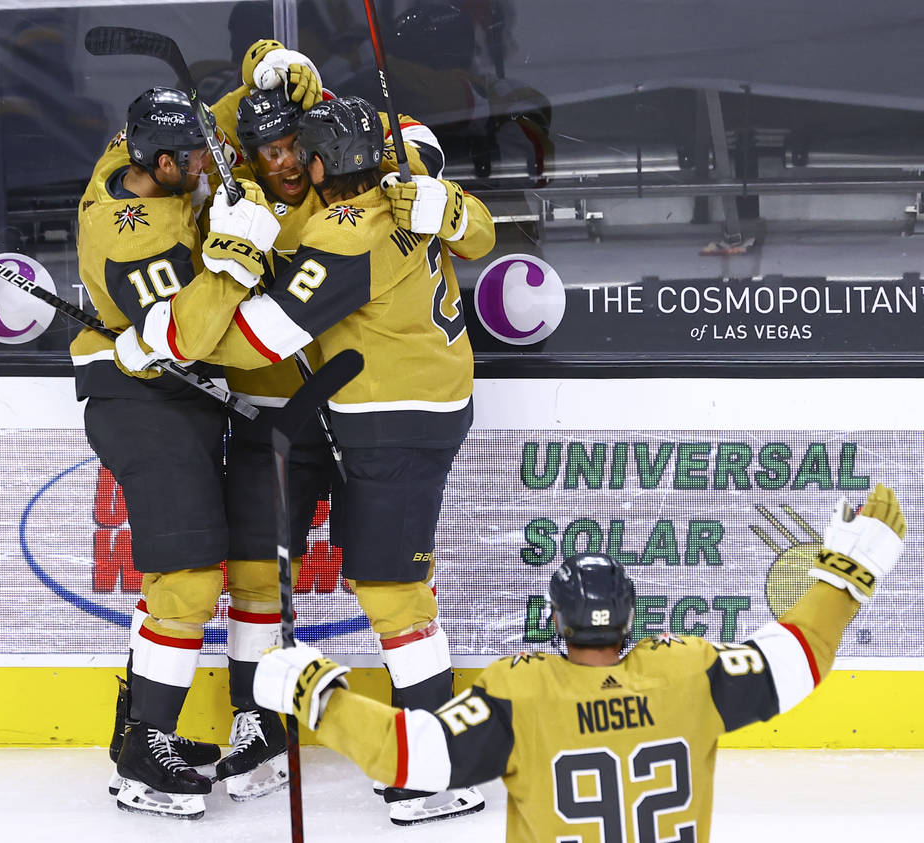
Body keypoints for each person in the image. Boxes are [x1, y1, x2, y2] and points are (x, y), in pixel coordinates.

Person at [121, 93, 498, 825]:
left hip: (394, 422)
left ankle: (430, 773)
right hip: (413, 410)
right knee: (386, 581)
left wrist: (167, 337)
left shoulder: (346, 233)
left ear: (323, 162)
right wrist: (449, 204)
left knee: (394, 592)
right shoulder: (405, 189)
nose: (292, 162)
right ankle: (415, 758)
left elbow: (265, 337)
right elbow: (473, 225)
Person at [253, 483, 908, 841]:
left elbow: (411, 754)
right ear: (631, 613)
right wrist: (846, 576)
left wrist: (315, 689)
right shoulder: (688, 675)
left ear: (557, 618)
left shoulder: (522, 690)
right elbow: (796, 658)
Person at [75, 84, 299, 820]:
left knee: (199, 571)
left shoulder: (133, 151)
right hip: (144, 400)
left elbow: (210, 122)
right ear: (161, 163)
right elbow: (189, 335)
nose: (212, 160)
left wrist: (258, 80)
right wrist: (235, 256)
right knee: (191, 575)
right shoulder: (132, 236)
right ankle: (147, 754)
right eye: (197, 156)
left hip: (183, 402)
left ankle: (138, 734)